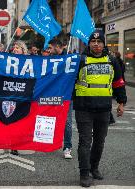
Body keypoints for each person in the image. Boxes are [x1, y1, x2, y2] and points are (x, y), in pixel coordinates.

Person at [73, 30, 127, 187]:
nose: (96, 44)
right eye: (93, 42)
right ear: (89, 44)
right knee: (85, 141)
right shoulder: (80, 60)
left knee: (99, 141)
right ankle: (84, 173)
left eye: (99, 42)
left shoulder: (111, 60)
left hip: (104, 108)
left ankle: (94, 168)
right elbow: (69, 80)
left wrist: (121, 103)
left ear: (104, 44)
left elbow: (118, 82)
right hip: (84, 107)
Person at [48, 39, 73, 159]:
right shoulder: (49, 59)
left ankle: (67, 147)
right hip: (52, 94)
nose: (49, 50)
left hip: (66, 95)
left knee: (67, 122)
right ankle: (50, 143)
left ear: (57, 47)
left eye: (51, 48)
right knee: (50, 119)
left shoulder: (69, 58)